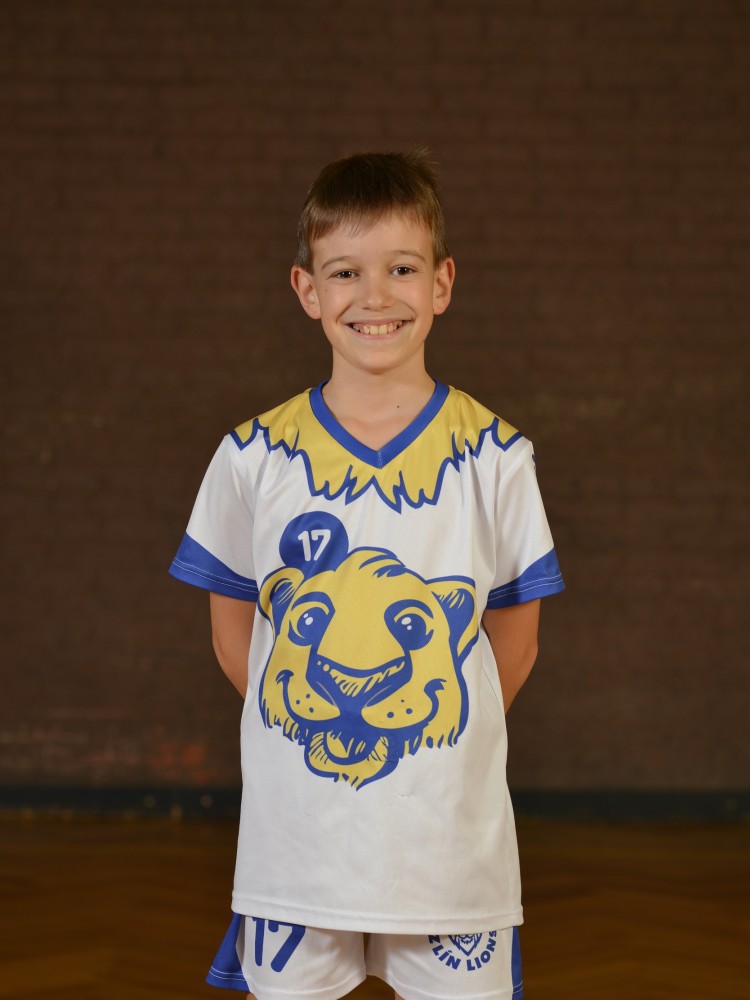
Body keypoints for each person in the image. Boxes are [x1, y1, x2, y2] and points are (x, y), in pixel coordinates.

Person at [169, 150, 564, 1000]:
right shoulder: (251, 457)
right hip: (299, 843)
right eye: (345, 271)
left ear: (443, 283)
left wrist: (430, 737)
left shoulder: (497, 456)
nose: (374, 296)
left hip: (447, 846)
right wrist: (316, 719)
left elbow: (514, 643)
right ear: (307, 289)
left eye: (402, 269)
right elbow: (238, 636)